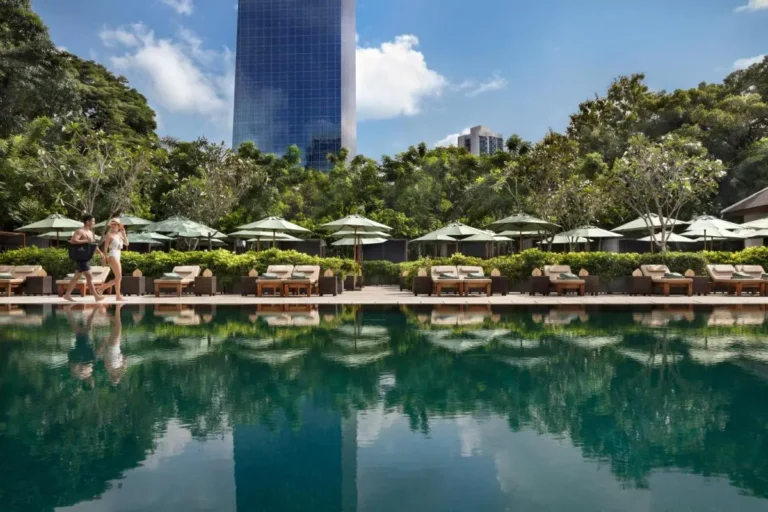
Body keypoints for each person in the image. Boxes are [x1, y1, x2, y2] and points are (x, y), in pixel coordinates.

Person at [63, 214, 106, 302]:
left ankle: (67, 295)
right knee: (89, 276)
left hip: (85, 258)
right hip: (81, 257)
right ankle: (96, 296)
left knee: (76, 277)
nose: (94, 223)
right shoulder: (80, 231)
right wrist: (86, 240)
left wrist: (100, 253)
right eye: (93, 221)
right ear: (87, 222)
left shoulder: (90, 232)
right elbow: (73, 240)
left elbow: (93, 245)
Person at [98, 218, 129, 301]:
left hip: (118, 255)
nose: (114, 226)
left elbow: (127, 243)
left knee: (118, 277)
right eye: (112, 224)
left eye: (116, 224)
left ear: (119, 226)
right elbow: (105, 248)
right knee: (119, 277)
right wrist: (104, 259)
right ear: (110, 226)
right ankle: (117, 296)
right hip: (112, 255)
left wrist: (124, 234)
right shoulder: (109, 235)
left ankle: (102, 288)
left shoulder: (119, 235)